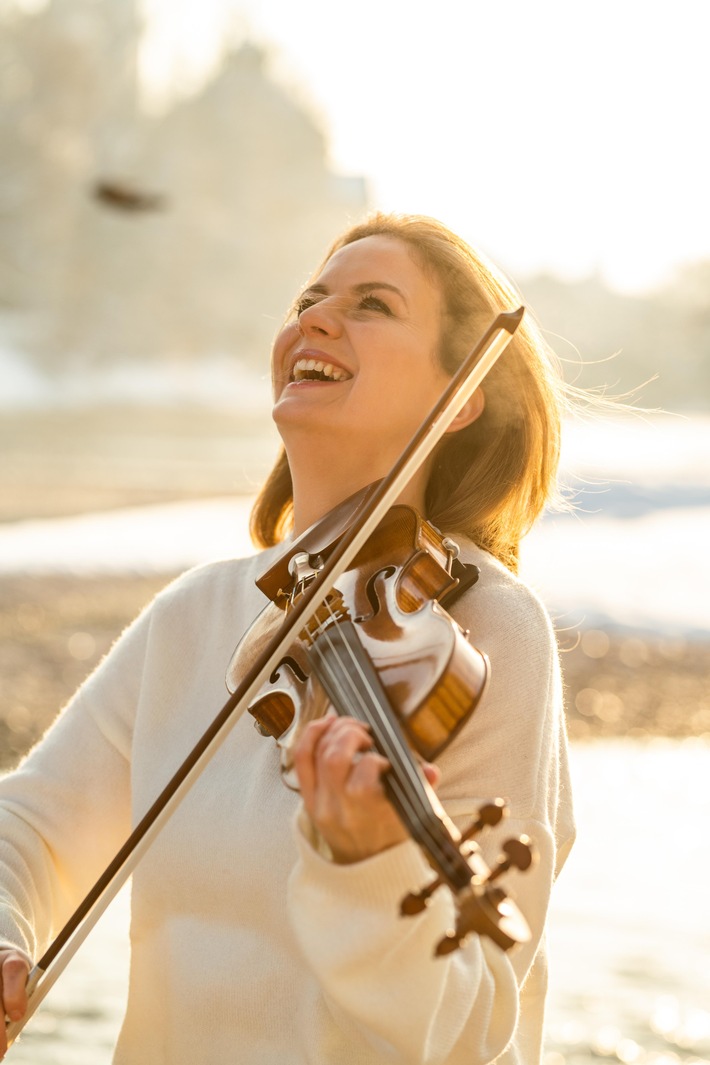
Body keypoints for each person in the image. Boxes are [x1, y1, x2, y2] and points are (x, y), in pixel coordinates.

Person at [0, 213, 575, 1064]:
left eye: (372, 304)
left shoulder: (486, 631)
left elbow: (467, 1026)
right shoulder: (200, 613)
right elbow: (30, 827)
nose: (315, 317)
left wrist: (370, 864)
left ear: (459, 399)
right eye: (309, 298)